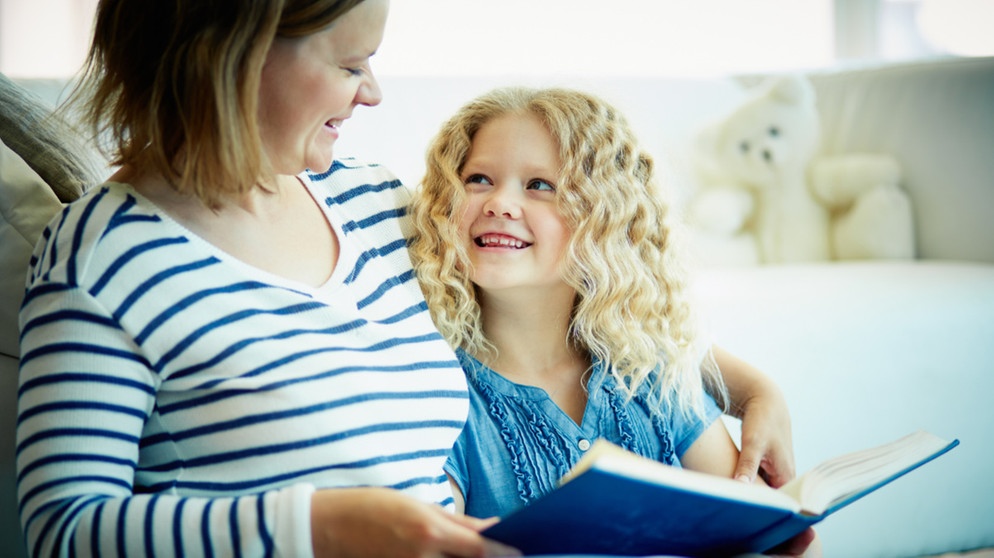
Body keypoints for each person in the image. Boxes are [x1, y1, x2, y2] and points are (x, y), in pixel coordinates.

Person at [15, 1, 797, 556]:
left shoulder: (371, 203)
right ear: (237, 53)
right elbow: (65, 526)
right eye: (351, 63)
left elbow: (575, 297)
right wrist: (320, 530)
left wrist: (748, 385)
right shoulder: (103, 257)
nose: (374, 92)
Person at [408, 86, 817, 556]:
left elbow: (776, 537)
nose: (500, 203)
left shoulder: (651, 375)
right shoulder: (441, 398)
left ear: (604, 220)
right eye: (478, 178)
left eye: (540, 185)